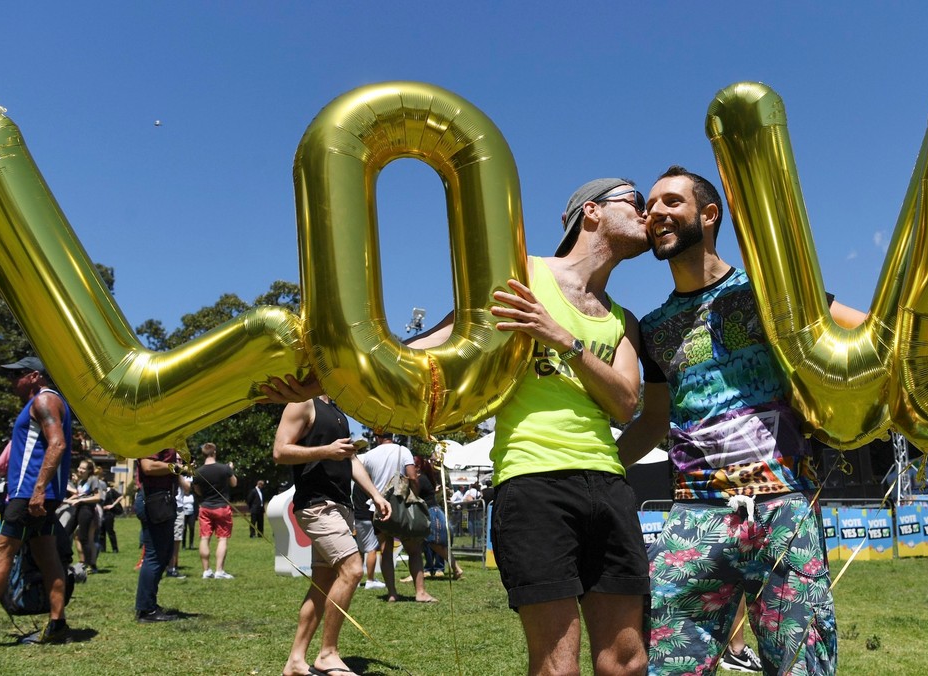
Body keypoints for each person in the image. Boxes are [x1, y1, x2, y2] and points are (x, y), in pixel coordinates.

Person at [618, 166, 866, 675]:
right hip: (695, 515)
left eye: (671, 202)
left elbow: (865, 334)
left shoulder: (771, 293)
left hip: (783, 507)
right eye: (651, 206)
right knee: (667, 665)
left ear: (708, 215)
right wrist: (596, 465)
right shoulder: (653, 328)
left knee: (802, 666)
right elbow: (653, 422)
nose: (654, 213)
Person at [407, 177, 653, 674]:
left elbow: (626, 403)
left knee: (627, 661)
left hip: (610, 484)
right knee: (556, 665)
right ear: (592, 213)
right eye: (637, 201)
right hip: (532, 482)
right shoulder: (524, 273)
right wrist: (327, 378)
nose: (649, 214)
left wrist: (564, 340)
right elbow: (437, 341)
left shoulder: (624, 320)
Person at [0, 356, 74, 649]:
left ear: (35, 376)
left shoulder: (44, 402)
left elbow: (57, 444)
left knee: (0, 552)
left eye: (17, 376)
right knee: (48, 555)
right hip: (39, 495)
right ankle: (57, 624)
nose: (12, 382)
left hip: (29, 496)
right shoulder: (47, 402)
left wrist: (37, 491)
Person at [273, 394, 391, 676]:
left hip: (341, 505)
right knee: (352, 569)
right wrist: (325, 451)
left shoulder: (337, 410)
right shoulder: (302, 402)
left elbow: (349, 458)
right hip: (317, 506)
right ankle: (328, 654)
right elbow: (280, 451)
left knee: (322, 582)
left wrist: (375, 495)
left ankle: (295, 662)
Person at [362, 431, 436, 604]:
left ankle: (392, 593)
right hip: (402, 508)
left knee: (385, 551)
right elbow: (412, 477)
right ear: (393, 435)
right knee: (414, 550)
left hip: (379, 509)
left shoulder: (368, 456)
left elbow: (364, 481)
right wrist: (415, 498)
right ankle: (420, 593)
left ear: (377, 437)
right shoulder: (403, 451)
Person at [134, 448, 192, 621]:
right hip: (154, 500)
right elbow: (148, 466)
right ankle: (146, 609)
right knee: (154, 556)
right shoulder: (155, 437)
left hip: (162, 500)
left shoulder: (168, 439)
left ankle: (149, 603)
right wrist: (178, 468)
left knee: (164, 554)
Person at [194, 442, 237, 579]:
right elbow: (234, 483)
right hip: (222, 507)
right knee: (222, 539)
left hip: (205, 507)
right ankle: (219, 571)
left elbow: (197, 491)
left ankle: (206, 570)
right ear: (215, 453)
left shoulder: (198, 472)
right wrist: (231, 469)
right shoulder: (224, 469)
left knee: (204, 538)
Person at [65, 458, 102, 574]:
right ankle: (64, 559)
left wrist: (81, 501)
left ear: (89, 471)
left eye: (83, 468)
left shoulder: (93, 479)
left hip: (87, 509)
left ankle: (90, 565)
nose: (80, 470)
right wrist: (65, 501)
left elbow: (97, 497)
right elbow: (78, 495)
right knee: (66, 532)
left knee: (83, 538)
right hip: (78, 508)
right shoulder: (80, 481)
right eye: (79, 467)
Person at [100, 479, 123, 555]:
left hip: (109, 513)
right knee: (101, 532)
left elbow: (120, 497)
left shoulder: (111, 491)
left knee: (110, 531)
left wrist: (112, 505)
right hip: (101, 513)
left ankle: (115, 549)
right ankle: (102, 549)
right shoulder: (98, 492)